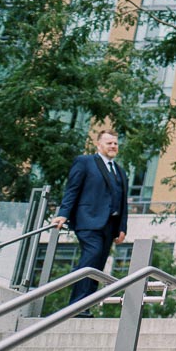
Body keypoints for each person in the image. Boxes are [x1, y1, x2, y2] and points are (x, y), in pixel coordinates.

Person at [51, 130, 129, 316]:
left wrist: (122, 227)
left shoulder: (120, 171)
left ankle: (84, 306)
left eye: (115, 143)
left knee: (97, 265)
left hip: (109, 226)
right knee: (91, 256)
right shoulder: (84, 162)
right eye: (109, 143)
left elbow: (123, 200)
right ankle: (76, 306)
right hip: (88, 220)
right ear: (98, 145)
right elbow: (72, 189)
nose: (113, 146)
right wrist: (63, 214)